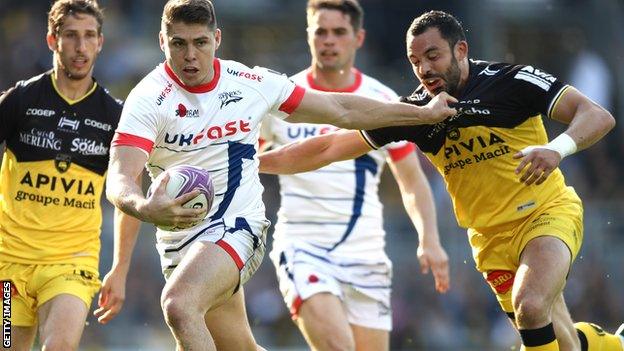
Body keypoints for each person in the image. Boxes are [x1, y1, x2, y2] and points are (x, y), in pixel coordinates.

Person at [258, 10, 623, 351]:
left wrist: (556, 149)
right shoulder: (417, 112)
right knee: (560, 340)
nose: (424, 69)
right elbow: (328, 148)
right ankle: (608, 344)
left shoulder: (510, 82)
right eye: (415, 61)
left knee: (529, 307)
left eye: (433, 56)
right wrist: (252, 163)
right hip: (489, 239)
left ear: (460, 49)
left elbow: (596, 115)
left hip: (546, 214)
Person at [104, 0, 457, 350]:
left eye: (200, 42)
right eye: (179, 44)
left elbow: (340, 108)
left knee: (179, 306)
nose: (190, 55)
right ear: (162, 42)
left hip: (237, 227)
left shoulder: (249, 83)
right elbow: (121, 177)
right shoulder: (147, 99)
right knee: (234, 345)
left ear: (217, 39)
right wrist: (143, 210)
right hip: (179, 241)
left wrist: (421, 114)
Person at [258, 1, 449, 350]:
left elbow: (411, 180)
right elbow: (245, 162)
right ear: (309, 36)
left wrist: (429, 239)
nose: (329, 41)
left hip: (367, 253)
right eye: (321, 32)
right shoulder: (282, 99)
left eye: (339, 32)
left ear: (358, 38)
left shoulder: (381, 100)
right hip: (303, 245)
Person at [0, 1, 139, 350]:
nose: (81, 47)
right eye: (71, 36)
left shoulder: (115, 116)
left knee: (59, 346)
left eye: (89, 36)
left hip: (71, 263)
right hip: (9, 265)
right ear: (52, 40)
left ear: (100, 42)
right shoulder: (21, 100)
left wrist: (120, 270)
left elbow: (129, 192)